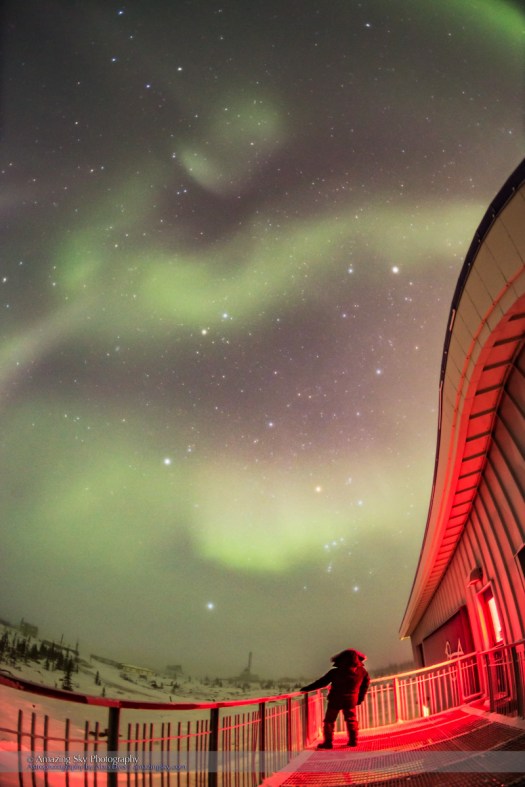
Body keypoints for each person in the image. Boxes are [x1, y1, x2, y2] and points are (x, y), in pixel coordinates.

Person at [300, 648, 370, 749]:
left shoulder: (335, 672)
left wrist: (307, 688)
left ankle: (328, 743)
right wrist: (360, 698)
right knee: (351, 720)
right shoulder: (362, 671)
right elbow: (365, 684)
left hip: (335, 699)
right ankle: (353, 741)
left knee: (329, 721)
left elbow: (321, 682)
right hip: (351, 700)